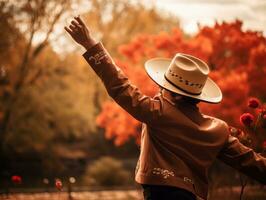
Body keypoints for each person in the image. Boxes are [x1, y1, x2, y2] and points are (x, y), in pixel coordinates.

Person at [65, 16, 266, 200]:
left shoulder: (159, 113)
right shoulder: (218, 129)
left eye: (163, 86)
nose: (159, 89)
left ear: (172, 93)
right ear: (198, 95)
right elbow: (251, 161)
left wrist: (90, 44)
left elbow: (120, 87)